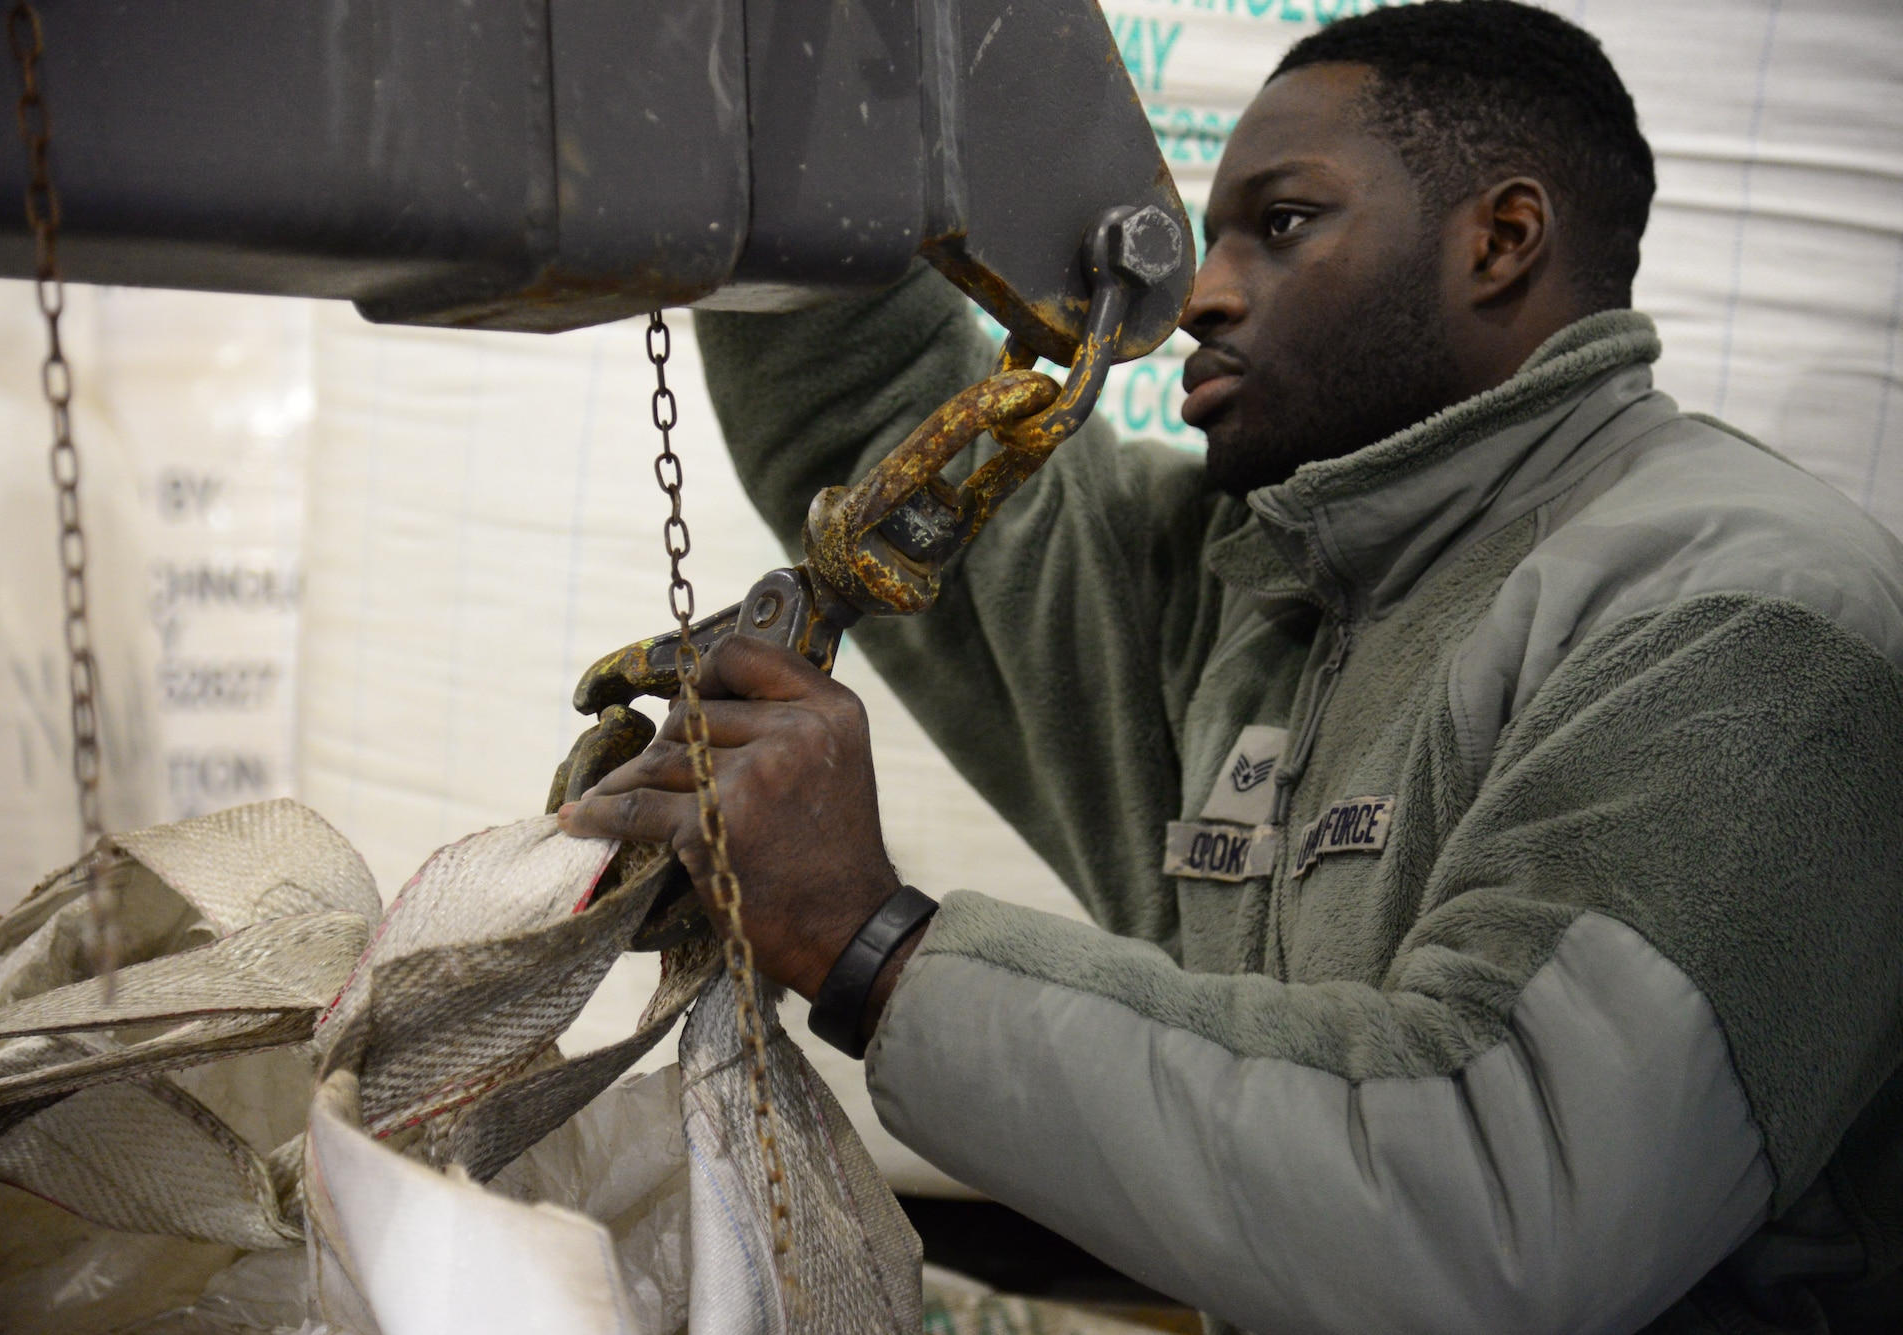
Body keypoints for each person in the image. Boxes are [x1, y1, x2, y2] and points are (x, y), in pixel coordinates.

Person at [561, 2, 1903, 1329]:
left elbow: (1492, 1207)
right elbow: (884, 430)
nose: (1202, 293)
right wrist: (750, 88)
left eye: (1284, 223)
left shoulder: (1742, 623)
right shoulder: (1258, 593)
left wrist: (871, 946)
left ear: (1501, 241)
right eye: (1209, 238)